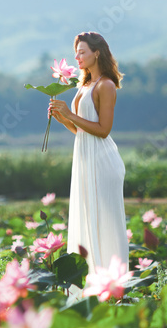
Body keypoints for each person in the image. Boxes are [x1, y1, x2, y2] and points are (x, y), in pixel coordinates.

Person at [49, 31, 129, 278]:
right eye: (76, 52)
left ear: (97, 53)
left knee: (105, 222)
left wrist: (70, 114)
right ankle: (89, 280)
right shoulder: (84, 86)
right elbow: (81, 131)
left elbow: (103, 131)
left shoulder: (105, 85)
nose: (77, 56)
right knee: (87, 217)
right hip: (85, 159)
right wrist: (62, 117)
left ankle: (111, 281)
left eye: (82, 51)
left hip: (103, 163)